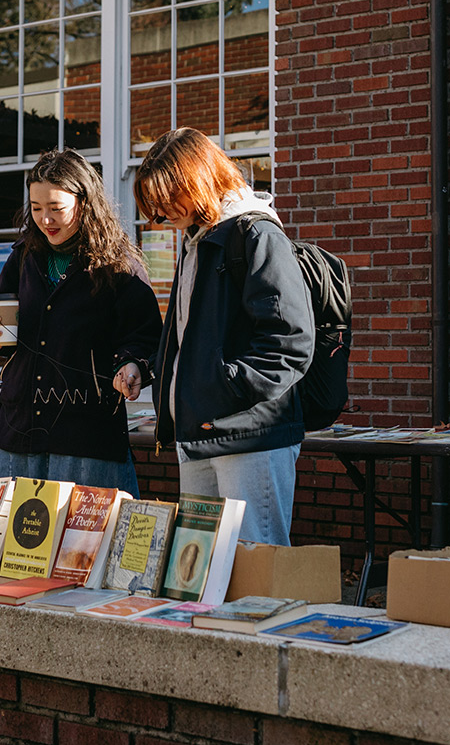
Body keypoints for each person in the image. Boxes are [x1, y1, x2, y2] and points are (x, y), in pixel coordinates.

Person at [132, 127, 314, 545]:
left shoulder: (257, 235)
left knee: (255, 570)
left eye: (166, 198)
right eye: (153, 204)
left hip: (247, 434)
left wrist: (220, 389)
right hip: (200, 431)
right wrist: (161, 377)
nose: (160, 214)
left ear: (197, 180)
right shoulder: (197, 241)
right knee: (200, 573)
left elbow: (290, 342)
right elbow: (184, 335)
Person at [0, 149, 163, 493]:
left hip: (86, 440)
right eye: (36, 208)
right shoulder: (23, 256)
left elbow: (147, 337)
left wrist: (132, 364)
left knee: (87, 548)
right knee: (7, 545)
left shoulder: (118, 265)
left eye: (56, 208)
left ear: (84, 202)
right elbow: (2, 330)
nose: (45, 219)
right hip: (16, 435)